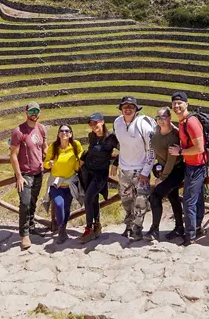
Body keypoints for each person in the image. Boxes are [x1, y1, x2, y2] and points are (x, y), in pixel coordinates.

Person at [113, 96, 155, 241]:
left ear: (136, 109)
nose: (128, 109)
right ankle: (129, 226)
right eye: (125, 106)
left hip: (140, 169)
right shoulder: (117, 122)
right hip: (124, 169)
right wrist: (116, 163)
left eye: (131, 106)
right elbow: (122, 145)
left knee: (141, 201)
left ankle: (137, 229)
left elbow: (151, 150)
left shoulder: (144, 125)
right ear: (121, 109)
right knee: (126, 200)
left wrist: (146, 171)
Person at [169, 91, 208, 246]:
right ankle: (197, 228)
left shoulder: (191, 122)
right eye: (174, 103)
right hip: (191, 165)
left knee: (189, 202)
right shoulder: (183, 122)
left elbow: (199, 148)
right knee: (197, 199)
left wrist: (180, 152)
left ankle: (190, 236)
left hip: (197, 167)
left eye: (180, 103)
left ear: (187, 104)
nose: (176, 106)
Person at [9, 101, 47, 250]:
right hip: (25, 174)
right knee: (24, 203)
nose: (34, 114)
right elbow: (13, 155)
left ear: (39, 112)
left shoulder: (41, 129)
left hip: (38, 172)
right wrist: (19, 176)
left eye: (36, 111)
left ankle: (31, 227)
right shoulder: (19, 131)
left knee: (32, 202)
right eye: (31, 111)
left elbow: (44, 147)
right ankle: (24, 235)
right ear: (26, 112)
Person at [146, 107, 185, 242]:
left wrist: (162, 178)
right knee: (173, 198)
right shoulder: (157, 130)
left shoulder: (173, 137)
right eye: (158, 117)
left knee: (155, 196)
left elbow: (171, 160)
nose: (161, 120)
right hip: (164, 169)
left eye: (164, 117)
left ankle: (154, 230)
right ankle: (179, 228)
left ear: (169, 118)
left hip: (175, 170)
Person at [78, 113, 118, 243]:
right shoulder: (92, 136)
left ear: (102, 122)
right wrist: (82, 159)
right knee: (93, 199)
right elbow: (90, 151)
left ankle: (88, 229)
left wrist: (115, 164)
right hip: (88, 172)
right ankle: (97, 225)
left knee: (88, 198)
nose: (93, 126)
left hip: (100, 174)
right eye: (91, 123)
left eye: (95, 123)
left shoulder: (111, 138)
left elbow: (124, 150)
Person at [43, 124, 83, 245]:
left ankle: (62, 230)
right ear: (58, 134)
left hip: (70, 183)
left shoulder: (76, 145)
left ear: (70, 134)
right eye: (61, 131)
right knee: (59, 204)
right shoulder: (53, 147)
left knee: (66, 208)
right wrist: (48, 164)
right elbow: (45, 163)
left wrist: (80, 163)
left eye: (67, 131)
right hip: (56, 184)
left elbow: (80, 158)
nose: (64, 132)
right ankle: (61, 228)